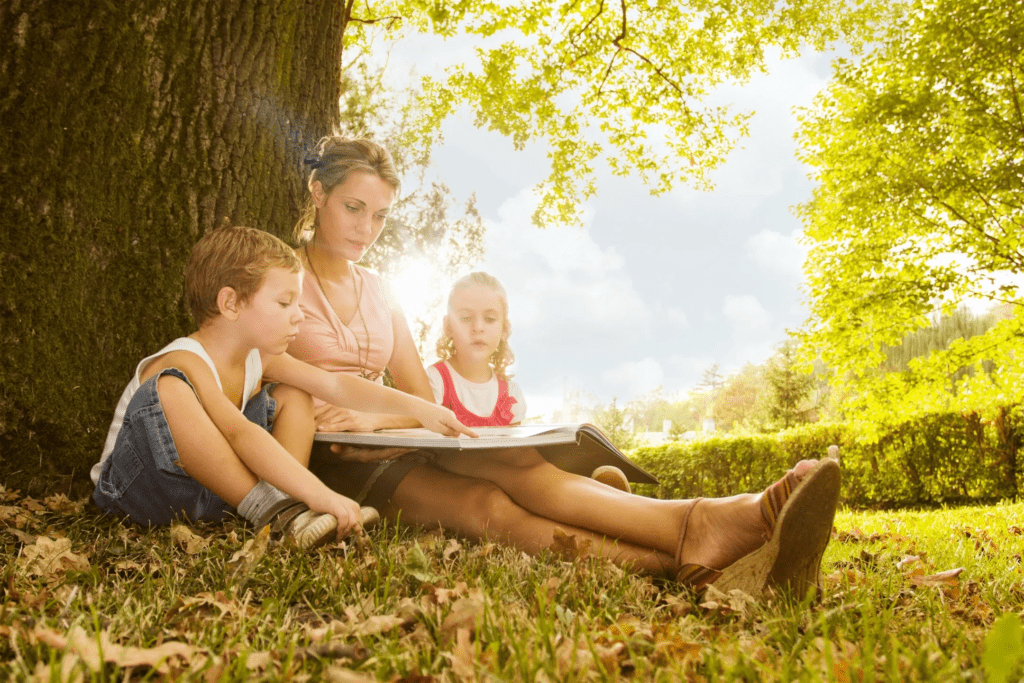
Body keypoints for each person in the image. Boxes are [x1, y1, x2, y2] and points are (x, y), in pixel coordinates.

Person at [288, 135, 842, 596]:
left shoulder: (382, 291)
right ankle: (680, 558)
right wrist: (367, 424)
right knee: (487, 506)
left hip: (390, 435)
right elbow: (270, 379)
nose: (366, 228)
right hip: (329, 460)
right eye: (353, 208)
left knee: (522, 464)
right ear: (318, 193)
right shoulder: (283, 277)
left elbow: (425, 405)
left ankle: (704, 528)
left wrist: (379, 421)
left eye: (380, 215)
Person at [91, 226, 475, 551]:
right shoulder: (184, 360)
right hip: (140, 492)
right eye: (285, 302)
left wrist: (423, 409)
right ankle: (282, 510)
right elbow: (239, 434)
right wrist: (318, 492)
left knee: (295, 394)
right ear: (230, 303)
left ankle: (284, 506)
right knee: (170, 391)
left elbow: (337, 385)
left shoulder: (262, 359)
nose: (300, 313)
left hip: (216, 495)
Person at [428, 270, 633, 492]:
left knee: (532, 467)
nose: (478, 327)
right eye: (466, 318)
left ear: (504, 329)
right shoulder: (435, 380)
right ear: (448, 326)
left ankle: (598, 493)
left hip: (508, 483)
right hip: (459, 484)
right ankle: (595, 493)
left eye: (489, 319)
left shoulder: (511, 393)